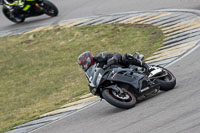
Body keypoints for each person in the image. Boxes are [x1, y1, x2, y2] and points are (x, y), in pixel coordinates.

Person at [78, 51, 150, 72]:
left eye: (84, 64)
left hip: (121, 66)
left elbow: (116, 54)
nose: (84, 66)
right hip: (113, 75)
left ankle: (144, 65)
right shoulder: (91, 72)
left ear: (88, 59)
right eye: (82, 65)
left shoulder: (100, 57)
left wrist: (113, 59)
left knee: (125, 57)